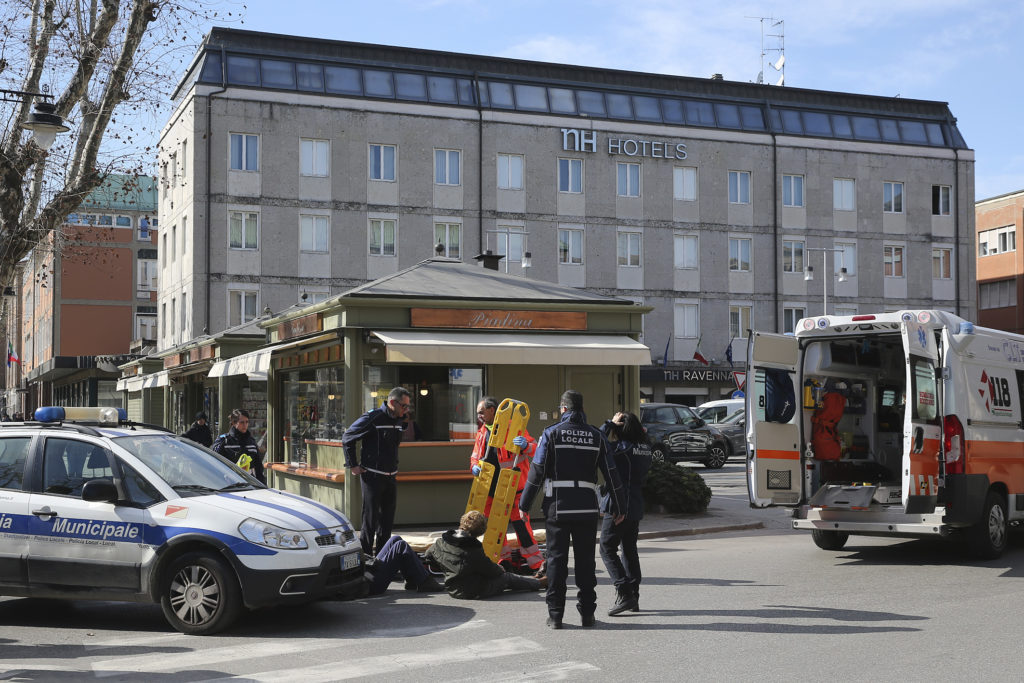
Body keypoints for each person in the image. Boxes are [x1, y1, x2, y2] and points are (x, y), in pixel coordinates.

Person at [519, 390, 624, 629]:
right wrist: (620, 506)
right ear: (581, 409)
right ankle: (587, 614)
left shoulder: (552, 433)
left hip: (558, 507)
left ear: (564, 409)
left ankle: (555, 615)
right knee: (586, 562)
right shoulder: (596, 436)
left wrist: (524, 504)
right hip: (587, 507)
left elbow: (537, 471)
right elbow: (612, 473)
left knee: (556, 561)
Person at [469, 396, 544, 575]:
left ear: (492, 410)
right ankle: (503, 561)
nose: (478, 415)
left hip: (514, 488)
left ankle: (537, 564)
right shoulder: (482, 433)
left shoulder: (514, 426)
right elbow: (475, 457)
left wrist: (526, 445)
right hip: (490, 489)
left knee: (521, 528)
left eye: (481, 412)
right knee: (494, 529)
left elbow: (536, 449)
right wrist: (474, 467)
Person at [342, 387, 410, 557]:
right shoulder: (373, 417)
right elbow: (348, 437)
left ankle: (383, 560)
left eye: (408, 407)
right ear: (393, 402)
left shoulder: (400, 419)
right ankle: (365, 560)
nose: (406, 410)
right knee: (370, 521)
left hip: (391, 476)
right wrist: (353, 465)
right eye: (404, 406)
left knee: (386, 523)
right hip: (372, 476)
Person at [599, 411, 652, 616]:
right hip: (636, 504)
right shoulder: (645, 448)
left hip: (619, 505)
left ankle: (624, 592)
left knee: (606, 548)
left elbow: (598, 442)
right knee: (629, 550)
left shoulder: (622, 449)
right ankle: (634, 596)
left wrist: (609, 424)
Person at [425, 510, 545, 599]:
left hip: (452, 587)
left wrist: (448, 566)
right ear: (480, 532)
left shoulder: (440, 543)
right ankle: (540, 583)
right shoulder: (472, 550)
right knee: (506, 577)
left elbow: (428, 556)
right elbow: (492, 571)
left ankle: (531, 580)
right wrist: (499, 567)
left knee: (503, 576)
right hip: (472, 590)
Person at [364, 535, 445, 595]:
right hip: (368, 581)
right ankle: (425, 582)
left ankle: (412, 580)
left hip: (367, 570)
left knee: (395, 539)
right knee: (401, 546)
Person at [211, 409, 263, 483]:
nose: (245, 425)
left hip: (250, 485)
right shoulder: (224, 441)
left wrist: (262, 485)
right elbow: (215, 464)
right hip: (228, 485)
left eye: (247, 422)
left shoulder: (251, 442)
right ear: (233, 423)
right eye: (242, 422)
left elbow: (259, 467)